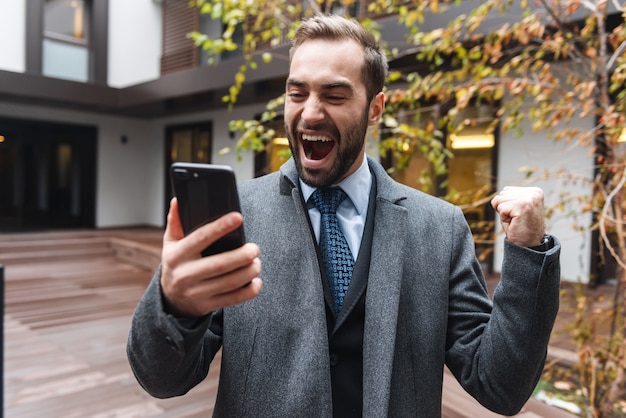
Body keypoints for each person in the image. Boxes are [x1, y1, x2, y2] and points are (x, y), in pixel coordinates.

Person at [127, 14, 561, 417]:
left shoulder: (439, 227)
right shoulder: (237, 214)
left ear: (375, 108)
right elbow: (163, 380)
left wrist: (529, 253)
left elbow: (500, 385)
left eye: (334, 96)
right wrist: (174, 304)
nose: (310, 112)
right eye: (297, 93)